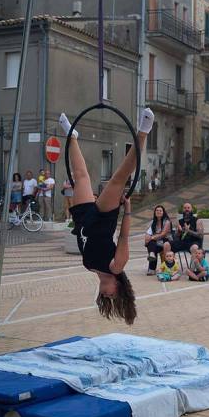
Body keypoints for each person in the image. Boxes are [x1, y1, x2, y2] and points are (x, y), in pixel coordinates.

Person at [61, 108, 154, 325]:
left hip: (84, 220)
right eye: (111, 294)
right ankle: (143, 132)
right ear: (119, 286)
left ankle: (72, 137)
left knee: (80, 175)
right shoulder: (116, 266)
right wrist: (127, 210)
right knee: (119, 178)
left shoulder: (90, 267)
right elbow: (123, 237)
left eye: (105, 297)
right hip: (103, 217)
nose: (105, 293)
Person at [144, 205, 172, 275]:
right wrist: (147, 239)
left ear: (163, 212)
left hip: (166, 241)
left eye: (160, 210)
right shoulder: (152, 222)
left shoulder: (167, 222)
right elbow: (147, 233)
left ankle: (152, 268)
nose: (158, 212)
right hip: (156, 242)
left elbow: (163, 234)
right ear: (155, 212)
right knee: (151, 244)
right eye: (157, 210)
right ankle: (152, 255)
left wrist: (151, 238)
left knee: (151, 243)